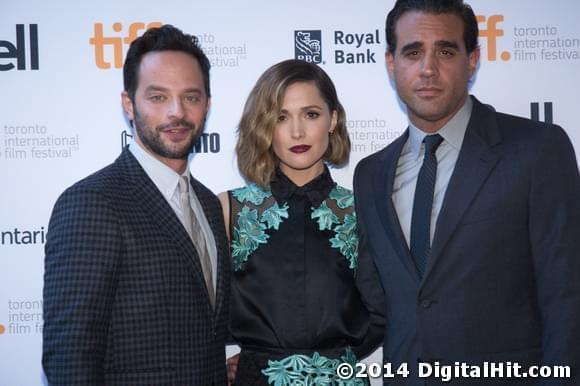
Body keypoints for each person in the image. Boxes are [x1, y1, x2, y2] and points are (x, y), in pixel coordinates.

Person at [354, 1, 580, 385]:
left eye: (445, 50)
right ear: (391, 64)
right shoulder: (370, 174)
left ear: (472, 60)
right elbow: (377, 307)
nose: (428, 68)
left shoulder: (537, 149)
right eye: (412, 52)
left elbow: (567, 297)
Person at [42, 25, 230, 385]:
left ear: (207, 105)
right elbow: (69, 357)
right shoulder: (92, 202)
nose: (177, 112)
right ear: (129, 104)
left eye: (191, 97)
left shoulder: (208, 204)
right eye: (158, 97)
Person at [218, 59, 385, 385]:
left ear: (333, 119)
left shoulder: (361, 210)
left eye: (311, 114)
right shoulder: (230, 209)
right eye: (281, 117)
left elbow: (385, 312)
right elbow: (204, 313)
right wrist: (256, 357)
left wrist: (331, 362)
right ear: (265, 126)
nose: (297, 131)